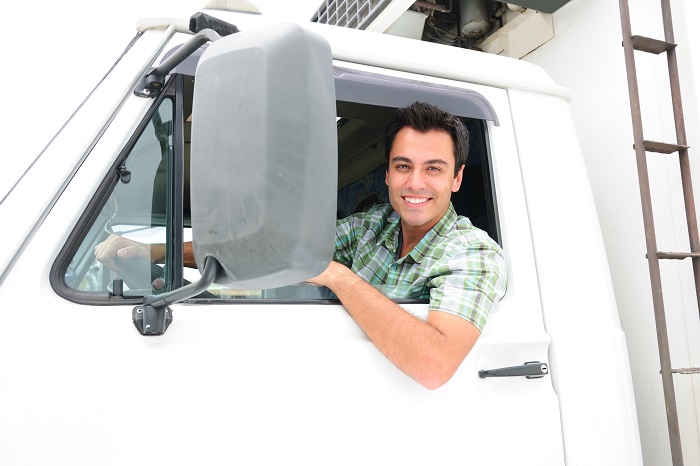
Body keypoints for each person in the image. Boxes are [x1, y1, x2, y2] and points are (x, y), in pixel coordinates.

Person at [95, 101, 507, 390]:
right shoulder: (373, 225)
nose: (415, 183)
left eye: (433, 169)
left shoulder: (473, 253)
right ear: (387, 175)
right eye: (403, 166)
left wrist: (338, 276)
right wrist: (158, 252)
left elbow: (434, 366)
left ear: (457, 179)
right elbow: (272, 246)